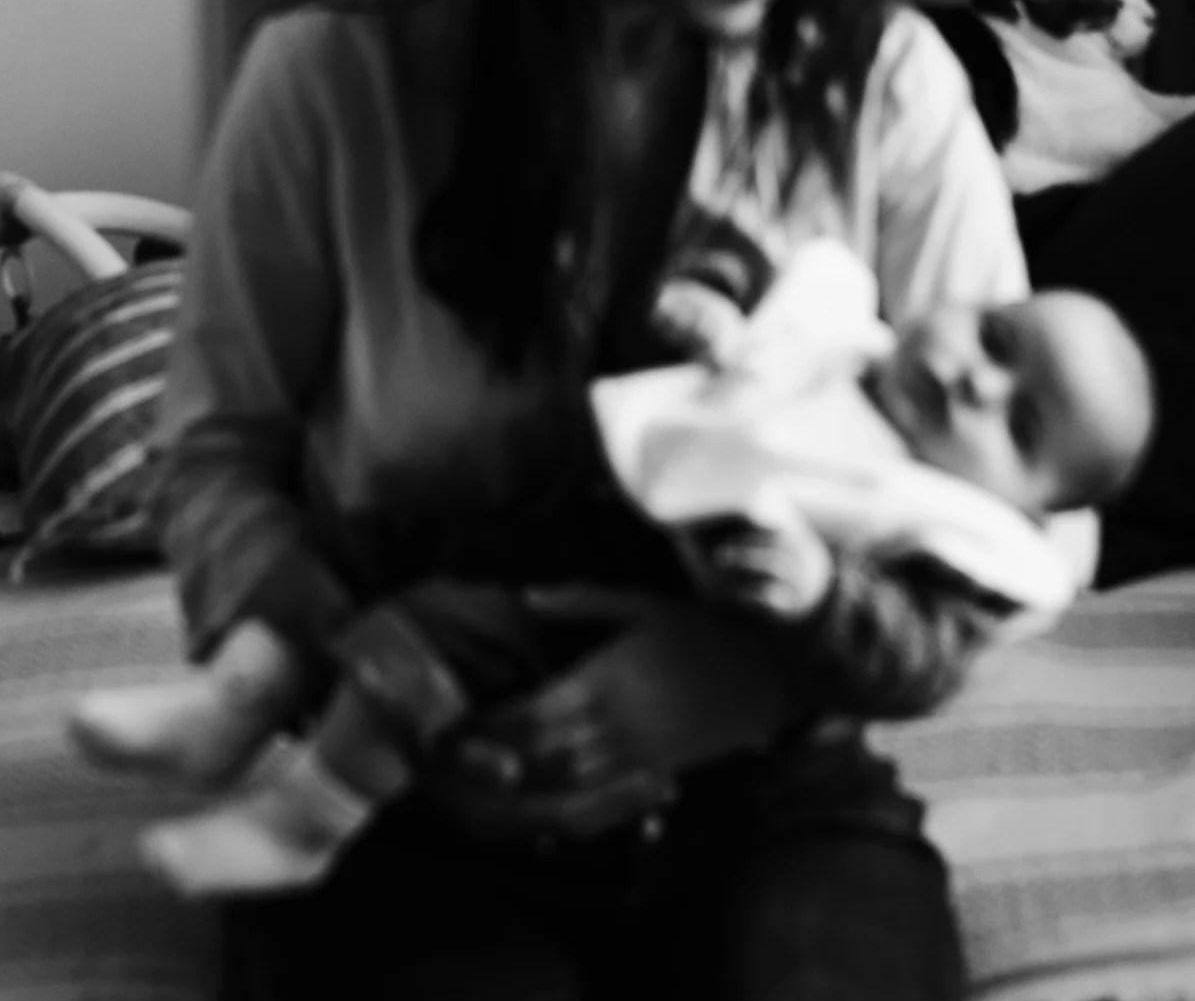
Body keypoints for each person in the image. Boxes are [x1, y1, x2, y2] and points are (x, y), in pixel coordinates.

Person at [125, 0, 1105, 1001]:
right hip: (412, 801)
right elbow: (218, 459)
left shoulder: (887, 97)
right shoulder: (335, 84)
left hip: (775, 790)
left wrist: (726, 677)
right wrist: (358, 666)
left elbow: (1028, 513)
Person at [74, 252, 1150, 900]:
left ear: (1027, 506)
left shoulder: (944, 531)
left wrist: (823, 597)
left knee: (436, 634)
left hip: (618, 602)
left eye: (1017, 421)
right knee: (356, 531)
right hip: (550, 497)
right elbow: (708, 307)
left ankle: (304, 818)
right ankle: (235, 701)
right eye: (997, 335)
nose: (971, 375)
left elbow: (916, 658)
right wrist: (700, 312)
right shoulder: (834, 337)